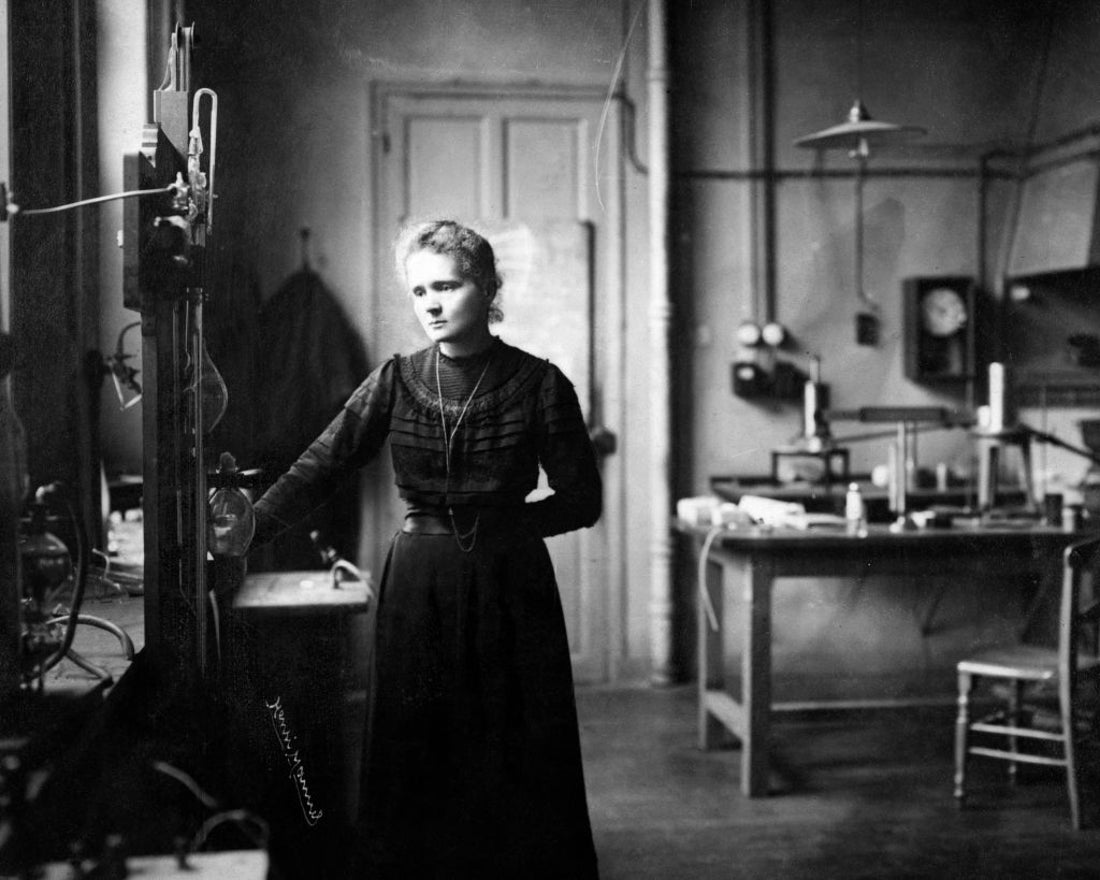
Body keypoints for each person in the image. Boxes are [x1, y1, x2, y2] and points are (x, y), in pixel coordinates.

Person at [250, 219, 603, 879]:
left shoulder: (540, 384)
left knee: (517, 748)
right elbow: (320, 466)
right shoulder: (395, 380)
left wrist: (508, 529)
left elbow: (582, 500)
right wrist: (248, 528)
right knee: (417, 748)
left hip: (512, 583)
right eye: (419, 292)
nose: (432, 304)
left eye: (448, 285)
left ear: (488, 287)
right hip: (420, 583)